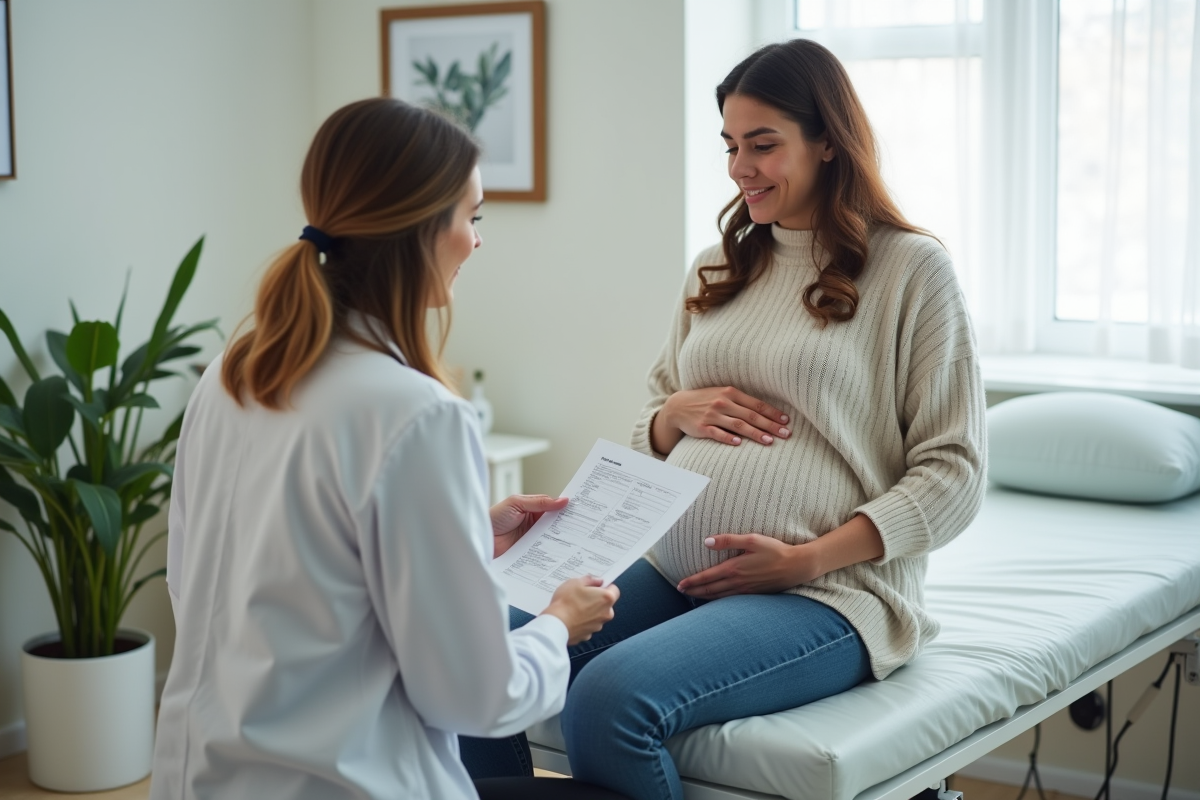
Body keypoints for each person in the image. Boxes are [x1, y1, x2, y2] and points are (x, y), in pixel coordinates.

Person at [465, 39, 987, 800]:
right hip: (673, 570)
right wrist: (672, 415)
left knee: (609, 698)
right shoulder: (718, 265)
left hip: (826, 594)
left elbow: (955, 474)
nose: (741, 167)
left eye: (763, 144)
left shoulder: (910, 269)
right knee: (480, 657)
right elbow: (649, 425)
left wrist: (807, 560)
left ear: (828, 142)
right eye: (731, 145)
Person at [149, 98, 626, 800]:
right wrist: (559, 625)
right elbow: (478, 698)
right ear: (423, 228)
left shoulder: (233, 373)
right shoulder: (417, 415)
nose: (477, 242)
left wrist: (468, 534)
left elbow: (214, 581)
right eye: (473, 217)